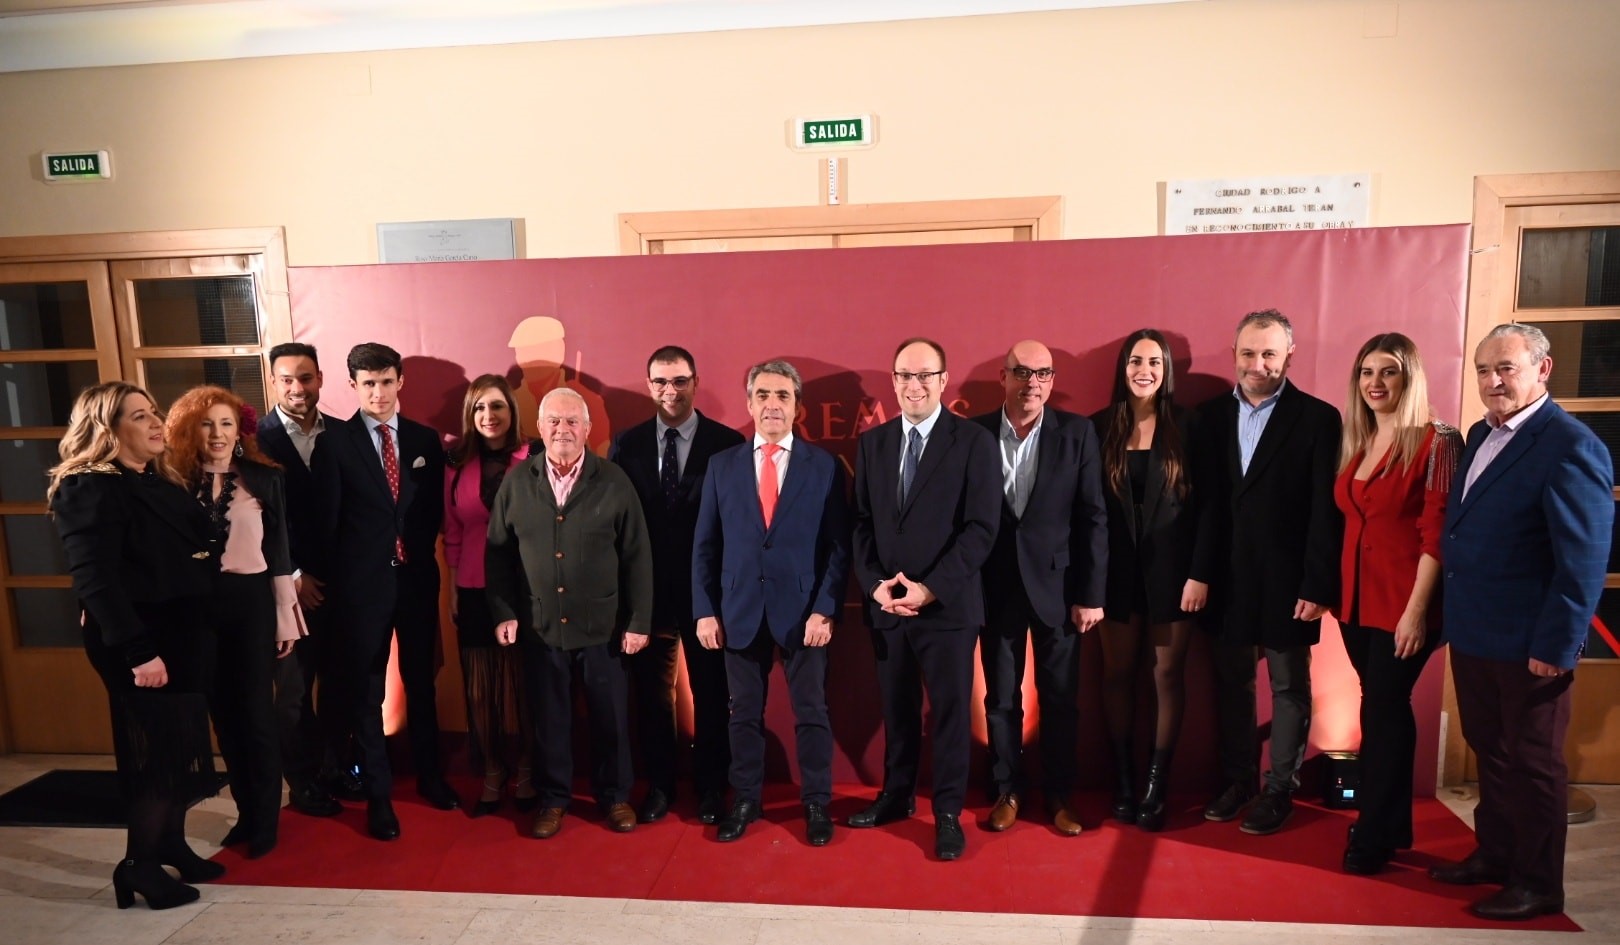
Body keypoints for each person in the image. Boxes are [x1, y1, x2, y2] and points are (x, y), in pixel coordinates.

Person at [1428, 324, 1613, 921]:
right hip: (1476, 632)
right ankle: (1495, 856)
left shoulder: (1570, 444)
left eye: (1505, 368)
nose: (1492, 381)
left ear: (1542, 369)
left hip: (1532, 643)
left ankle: (1538, 884)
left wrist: (1558, 644)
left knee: (1534, 765)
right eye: (1484, 369)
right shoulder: (1482, 432)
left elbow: (1582, 557)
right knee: (1492, 753)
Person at [49, 381, 221, 909]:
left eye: (154, 413)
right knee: (153, 756)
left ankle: (170, 843)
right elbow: (95, 580)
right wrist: (138, 652)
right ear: (107, 428)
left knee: (179, 751)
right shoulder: (90, 486)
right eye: (139, 416)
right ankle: (139, 864)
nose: (155, 423)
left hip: (181, 633)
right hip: (141, 642)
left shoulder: (153, 478)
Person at [850, 337, 1001, 861]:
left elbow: (983, 528)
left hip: (947, 608)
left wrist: (930, 587)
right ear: (893, 383)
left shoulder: (975, 442)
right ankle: (895, 797)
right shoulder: (874, 443)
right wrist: (874, 585)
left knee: (951, 713)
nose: (913, 385)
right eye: (904, 376)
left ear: (943, 381)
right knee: (897, 709)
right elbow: (862, 524)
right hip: (888, 607)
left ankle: (947, 813)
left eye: (923, 376)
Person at [1193, 309, 1342, 836]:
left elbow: (1327, 509)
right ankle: (1239, 781)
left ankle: (1280, 788)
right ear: (1234, 354)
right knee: (1232, 685)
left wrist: (1318, 583)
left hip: (1289, 581)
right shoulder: (1207, 417)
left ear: (1288, 356)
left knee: (1288, 687)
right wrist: (1200, 572)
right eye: (1249, 353)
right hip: (1227, 580)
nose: (1259, 364)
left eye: (1270, 354)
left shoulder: (1320, 418)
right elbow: (1204, 504)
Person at [692, 359, 852, 845]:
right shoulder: (722, 467)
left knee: (812, 712)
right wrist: (704, 608)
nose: (772, 404)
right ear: (749, 403)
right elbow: (705, 545)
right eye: (763, 395)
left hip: (804, 614)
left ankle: (816, 803)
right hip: (739, 612)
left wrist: (826, 608)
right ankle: (746, 799)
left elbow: (838, 548)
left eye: (782, 396)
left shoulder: (821, 466)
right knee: (742, 715)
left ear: (797, 406)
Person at [487, 388, 654, 839]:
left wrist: (640, 621)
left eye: (572, 422)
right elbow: (498, 554)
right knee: (549, 722)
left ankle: (615, 797)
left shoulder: (614, 480)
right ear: (539, 429)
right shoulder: (518, 482)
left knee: (611, 720)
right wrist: (503, 611)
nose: (563, 430)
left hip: (604, 627)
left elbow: (638, 556)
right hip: (541, 629)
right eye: (554, 422)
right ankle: (554, 799)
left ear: (588, 429)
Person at [307, 342, 454, 842]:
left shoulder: (424, 440)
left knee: (422, 683)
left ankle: (432, 778)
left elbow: (431, 511)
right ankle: (378, 796)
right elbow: (325, 523)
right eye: (367, 384)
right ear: (352, 386)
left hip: (414, 582)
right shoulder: (334, 444)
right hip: (359, 589)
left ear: (400, 381)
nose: (378, 392)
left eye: (386, 381)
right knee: (368, 692)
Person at [1332, 333, 1462, 875]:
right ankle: (1386, 825)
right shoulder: (1358, 440)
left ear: (1410, 378)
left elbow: (1438, 534)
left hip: (1407, 606)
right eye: (1367, 372)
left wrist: (1415, 611)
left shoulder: (1438, 442)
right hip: (1356, 605)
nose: (1376, 383)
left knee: (1383, 709)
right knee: (1377, 707)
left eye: (1389, 372)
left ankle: (1375, 836)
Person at [969, 340, 1105, 836]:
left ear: (1052, 381)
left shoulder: (1078, 433)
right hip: (994, 588)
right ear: (1003, 378)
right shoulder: (974, 433)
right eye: (1022, 372)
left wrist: (1091, 593)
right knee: (1001, 699)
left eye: (1043, 374)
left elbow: (1093, 517)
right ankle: (1007, 790)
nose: (1032, 383)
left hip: (1059, 589)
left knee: (1061, 700)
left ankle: (1060, 795)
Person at [165, 386, 306, 859]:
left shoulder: (264, 478)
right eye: (207, 424)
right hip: (199, 608)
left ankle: (267, 819)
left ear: (240, 430)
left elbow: (280, 553)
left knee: (256, 715)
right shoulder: (173, 480)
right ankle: (245, 814)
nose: (218, 434)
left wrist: (286, 619)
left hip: (251, 604)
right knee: (222, 717)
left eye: (226, 424)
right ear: (191, 430)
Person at [610, 346, 745, 824]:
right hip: (647, 595)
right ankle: (661, 787)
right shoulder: (626, 445)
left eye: (680, 380)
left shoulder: (729, 444)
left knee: (711, 695)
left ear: (696, 381)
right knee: (652, 698)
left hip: (709, 595)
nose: (671, 390)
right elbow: (618, 527)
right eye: (662, 382)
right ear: (649, 385)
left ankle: (711, 787)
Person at [1090, 329, 1204, 832]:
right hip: (1113, 577)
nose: (1145, 370)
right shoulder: (1097, 428)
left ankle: (1156, 788)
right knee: (1116, 678)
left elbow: (1208, 511)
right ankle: (1123, 782)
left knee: (1165, 678)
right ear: (1123, 367)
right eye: (1136, 361)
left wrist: (1199, 572)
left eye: (1155, 362)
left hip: (1173, 578)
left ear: (1166, 371)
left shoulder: (1188, 426)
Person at [258, 342, 347, 815]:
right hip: (287, 590)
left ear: (320, 379)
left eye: (306, 378)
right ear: (274, 381)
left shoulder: (340, 434)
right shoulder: (255, 440)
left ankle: (335, 769)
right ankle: (303, 781)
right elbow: (259, 519)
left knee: (337, 685)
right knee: (292, 693)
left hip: (339, 585)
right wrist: (292, 575)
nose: (298, 388)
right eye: (288, 379)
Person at [443, 375, 538, 816]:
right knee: (481, 691)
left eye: (496, 406)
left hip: (527, 588)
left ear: (511, 411)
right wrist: (454, 586)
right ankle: (493, 773)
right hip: (475, 586)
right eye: (479, 408)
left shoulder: (533, 456)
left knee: (521, 686)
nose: (488, 416)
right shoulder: (456, 461)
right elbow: (454, 529)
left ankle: (528, 772)